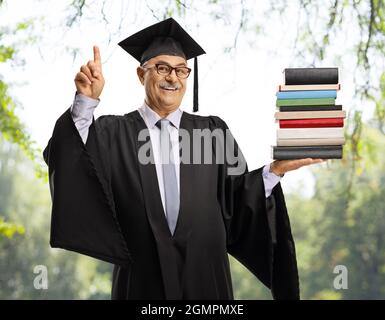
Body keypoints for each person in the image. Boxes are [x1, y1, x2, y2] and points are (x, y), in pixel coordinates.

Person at [43, 18, 324, 300]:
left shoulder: (213, 131)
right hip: (141, 283)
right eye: (162, 68)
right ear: (142, 75)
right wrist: (84, 104)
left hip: (206, 282)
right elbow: (71, 162)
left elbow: (238, 201)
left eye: (181, 70)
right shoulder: (112, 132)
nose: (172, 77)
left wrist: (273, 171)